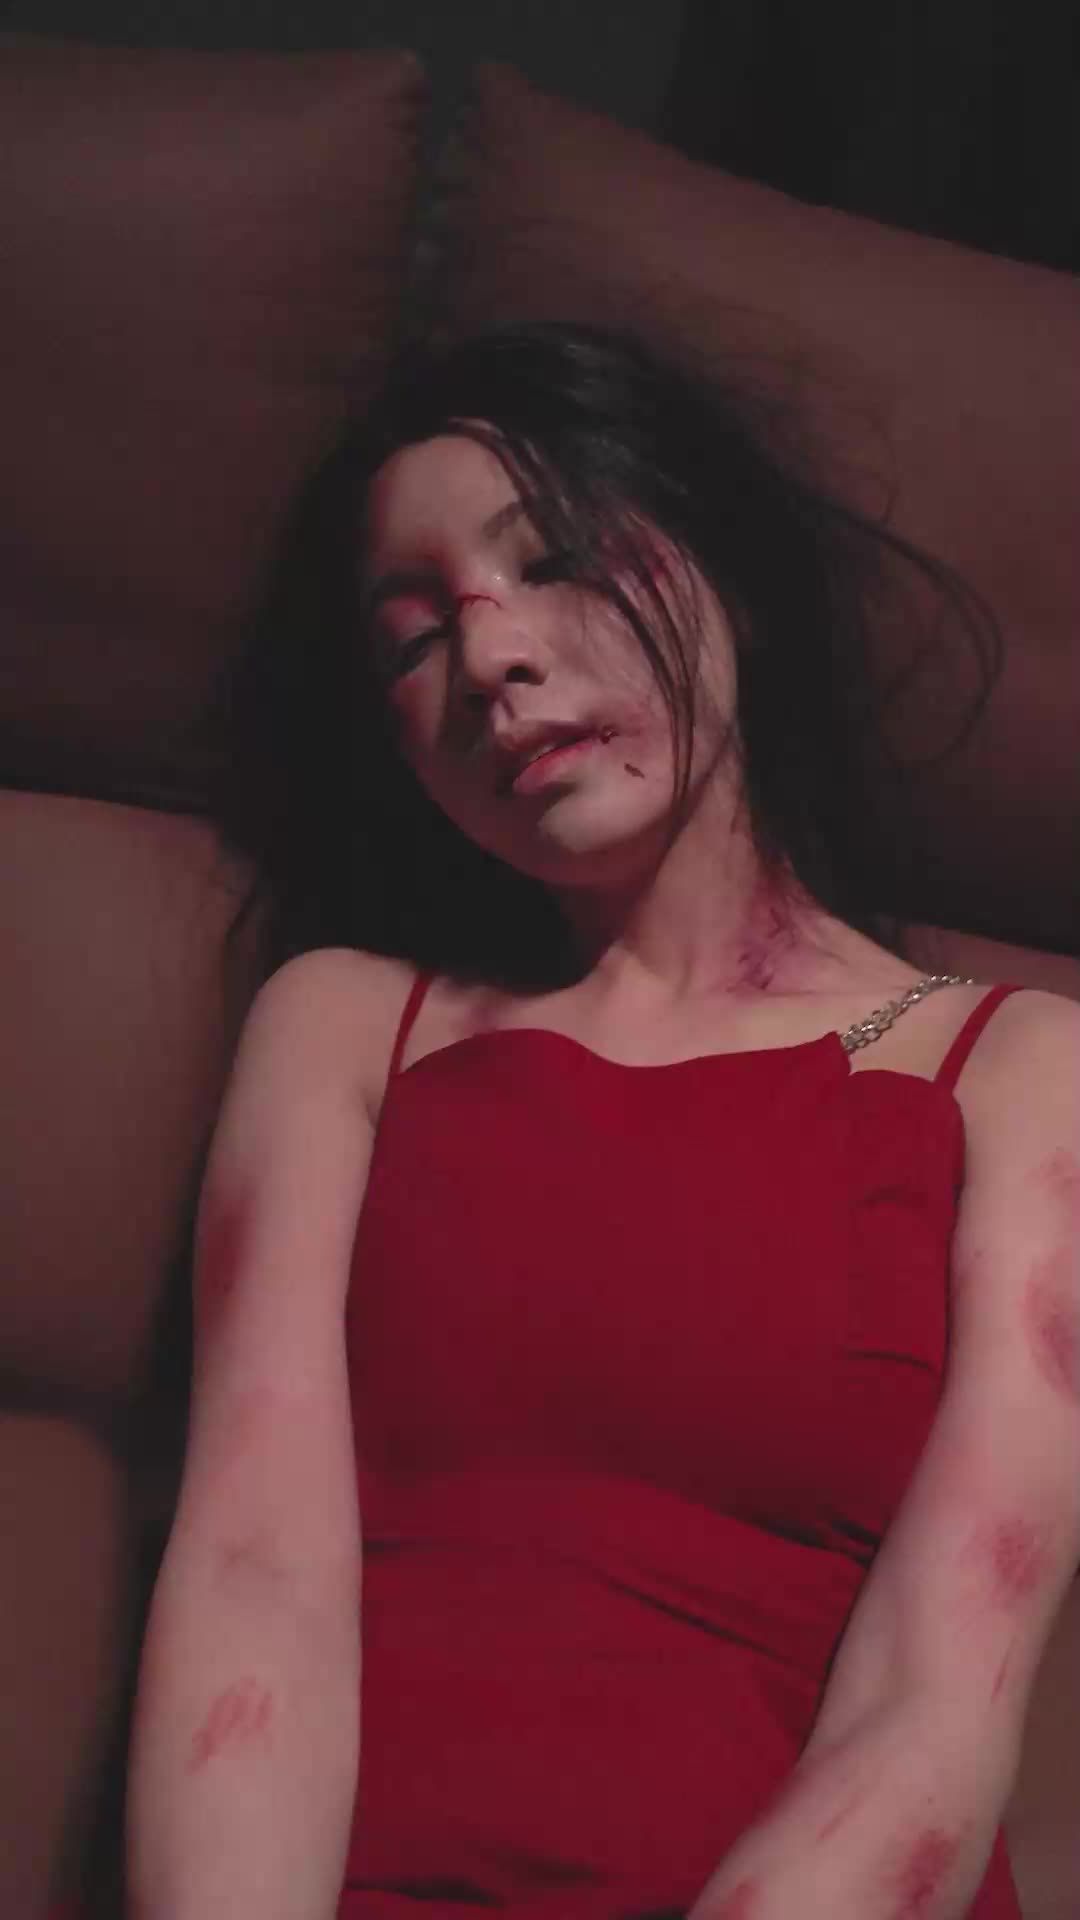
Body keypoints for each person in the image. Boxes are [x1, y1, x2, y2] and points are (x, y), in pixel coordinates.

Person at [128, 323, 1080, 1920]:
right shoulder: (346, 1023)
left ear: (734, 581)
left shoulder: (1026, 1068)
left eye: (555, 560)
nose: (490, 657)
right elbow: (251, 1573)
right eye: (413, 638)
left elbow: (941, 1692)